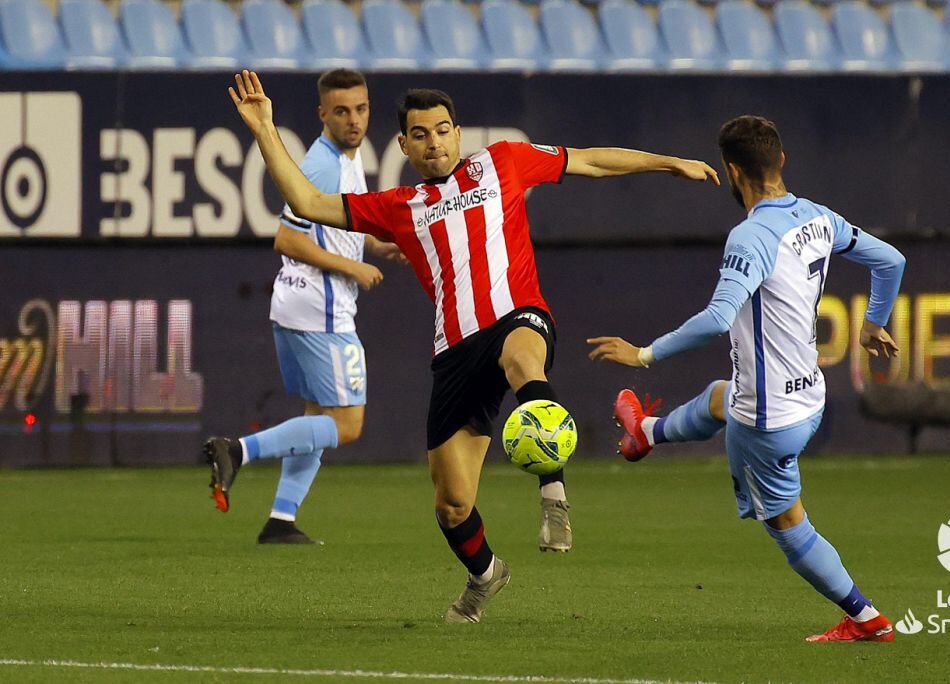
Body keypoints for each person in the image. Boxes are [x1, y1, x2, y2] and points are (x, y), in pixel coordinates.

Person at [223, 70, 720, 622]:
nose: (434, 142)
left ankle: (553, 490)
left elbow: (589, 160)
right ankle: (486, 574)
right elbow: (309, 202)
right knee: (452, 502)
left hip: (518, 317)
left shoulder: (503, 162)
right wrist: (266, 129)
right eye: (421, 134)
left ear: (459, 133)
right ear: (404, 145)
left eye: (442, 130)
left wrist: (667, 161)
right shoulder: (397, 206)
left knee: (520, 357)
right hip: (455, 351)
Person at [587, 115, 905, 643]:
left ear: (733, 171)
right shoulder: (817, 216)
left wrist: (643, 354)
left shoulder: (751, 236)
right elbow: (890, 260)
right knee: (720, 396)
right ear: (780, 160)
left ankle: (865, 618)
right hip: (809, 395)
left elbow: (717, 317)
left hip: (768, 420)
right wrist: (873, 324)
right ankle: (646, 433)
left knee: (786, 523)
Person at [204, 69, 402, 544]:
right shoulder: (323, 165)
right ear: (323, 115)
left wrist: (373, 245)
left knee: (316, 421)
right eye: (341, 111)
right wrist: (351, 268)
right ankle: (237, 450)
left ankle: (281, 520)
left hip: (295, 306)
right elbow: (287, 238)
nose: (354, 120)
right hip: (321, 311)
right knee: (345, 425)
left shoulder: (348, 160)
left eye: (361, 109)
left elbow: (331, 225)